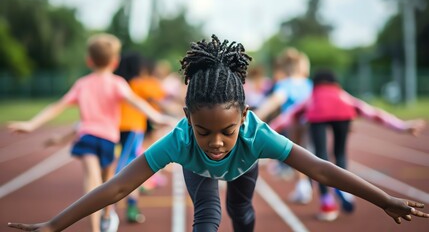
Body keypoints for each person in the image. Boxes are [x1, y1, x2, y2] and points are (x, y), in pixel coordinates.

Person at [7, 35, 429, 232]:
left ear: (244, 117)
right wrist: (54, 226)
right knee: (206, 215)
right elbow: (117, 187)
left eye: (227, 130)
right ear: (187, 117)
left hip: (244, 170)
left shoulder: (256, 134)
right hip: (200, 175)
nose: (215, 142)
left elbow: (321, 169)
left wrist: (384, 198)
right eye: (203, 130)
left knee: (242, 214)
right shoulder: (179, 140)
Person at [7, 33, 176, 232]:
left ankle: (103, 219)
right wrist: (157, 117)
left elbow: (57, 106)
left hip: (87, 137)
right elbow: (136, 102)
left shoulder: (82, 84)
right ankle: (102, 222)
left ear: (89, 61)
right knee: (104, 182)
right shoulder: (117, 83)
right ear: (115, 61)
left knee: (95, 182)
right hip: (107, 140)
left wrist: (32, 124)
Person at [269, 69, 427, 221]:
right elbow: (372, 113)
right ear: (335, 82)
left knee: (319, 158)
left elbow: (287, 117)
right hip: (342, 112)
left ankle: (326, 203)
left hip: (317, 113)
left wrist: (266, 131)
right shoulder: (342, 95)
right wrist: (402, 126)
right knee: (340, 154)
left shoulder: (313, 97)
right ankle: (344, 191)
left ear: (315, 84)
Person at [113, 52, 167, 223]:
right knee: (124, 168)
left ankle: (130, 205)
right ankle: (109, 206)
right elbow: (159, 94)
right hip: (133, 127)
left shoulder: (120, 83)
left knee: (126, 164)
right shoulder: (138, 83)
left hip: (117, 126)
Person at [255, 48, 314, 203]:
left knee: (298, 157)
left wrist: (254, 117)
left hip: (294, 124)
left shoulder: (285, 84)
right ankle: (305, 187)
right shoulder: (308, 83)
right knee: (310, 156)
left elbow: (274, 101)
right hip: (311, 123)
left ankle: (304, 188)